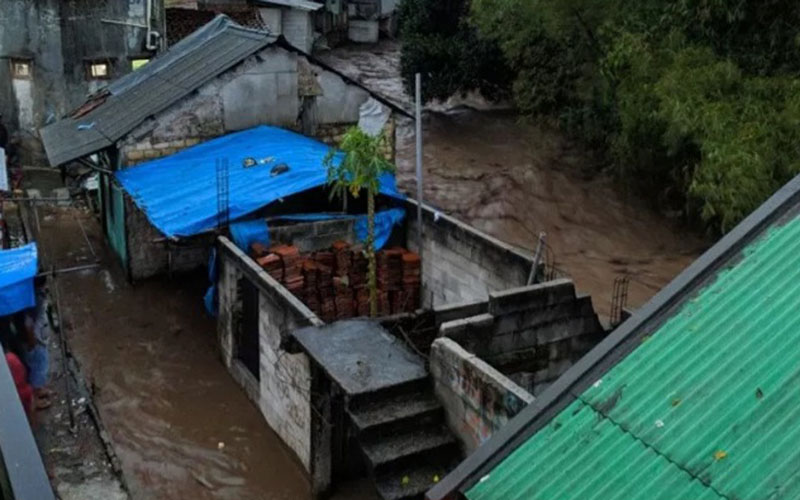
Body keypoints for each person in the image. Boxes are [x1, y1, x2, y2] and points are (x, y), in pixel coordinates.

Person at [22, 288, 52, 410]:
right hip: (36, 340)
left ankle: (39, 389)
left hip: (39, 338)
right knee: (38, 367)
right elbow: (28, 323)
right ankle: (35, 398)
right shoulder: (33, 300)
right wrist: (32, 342)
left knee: (40, 367)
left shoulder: (36, 296)